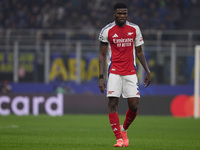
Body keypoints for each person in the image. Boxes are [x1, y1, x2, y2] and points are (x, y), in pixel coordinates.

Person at [98, 3, 151, 147]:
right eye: (120, 13)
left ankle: (124, 129)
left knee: (134, 106)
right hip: (114, 71)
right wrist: (101, 77)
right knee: (112, 104)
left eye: (125, 14)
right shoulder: (106, 31)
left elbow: (139, 52)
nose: (122, 16)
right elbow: (102, 56)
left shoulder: (135, 29)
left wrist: (147, 71)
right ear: (114, 13)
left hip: (130, 72)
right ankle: (119, 139)